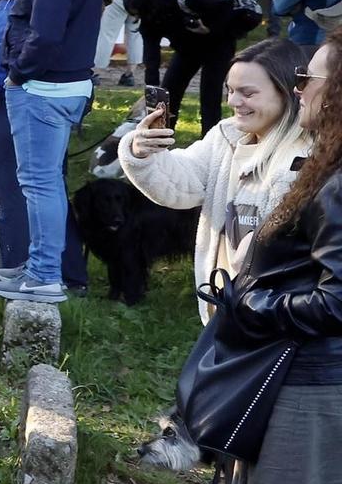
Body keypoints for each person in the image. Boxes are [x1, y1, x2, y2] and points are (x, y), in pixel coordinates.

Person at [217, 30, 342, 484]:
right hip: (305, 383)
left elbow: (337, 300)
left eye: (314, 77)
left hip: (322, 391)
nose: (303, 87)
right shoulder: (328, 165)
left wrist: (255, 305)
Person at [121, 38, 308, 323]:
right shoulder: (226, 135)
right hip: (224, 311)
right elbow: (181, 186)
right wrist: (143, 153)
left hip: (273, 319)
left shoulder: (304, 160)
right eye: (230, 90)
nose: (233, 102)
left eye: (248, 93)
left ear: (286, 92)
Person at [0, 0, 104, 304]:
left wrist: (18, 74)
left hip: (45, 87)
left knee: (39, 183)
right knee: (46, 182)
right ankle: (42, 268)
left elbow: (46, 34)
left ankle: (43, 274)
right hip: (62, 84)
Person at [162, 0, 264, 134]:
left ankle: (210, 139)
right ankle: (161, 133)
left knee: (211, 92)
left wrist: (211, 28)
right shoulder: (181, 0)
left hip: (223, 37)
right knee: (170, 88)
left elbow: (237, 16)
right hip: (192, 40)